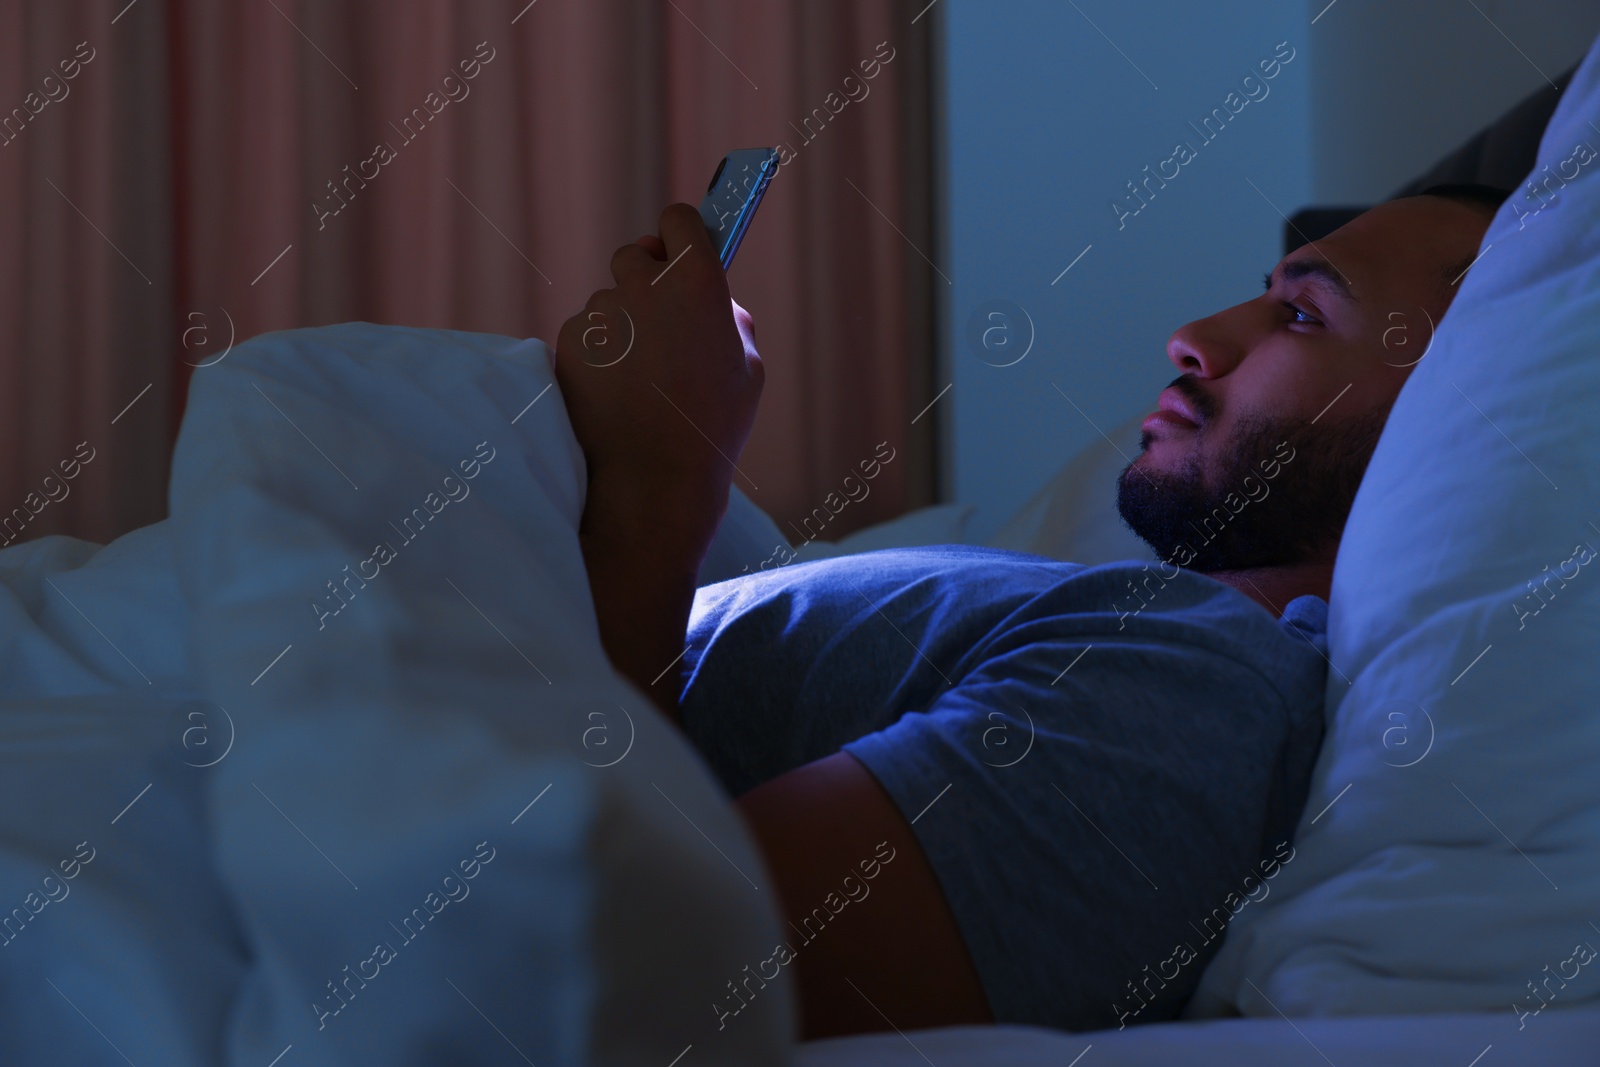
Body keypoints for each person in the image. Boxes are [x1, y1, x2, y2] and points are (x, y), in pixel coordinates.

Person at [551, 184, 1504, 1039]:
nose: (1195, 337)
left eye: (1300, 313)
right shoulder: (1149, 632)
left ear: (1458, 419)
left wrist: (658, 484)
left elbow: (630, 964)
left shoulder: (1196, 694)